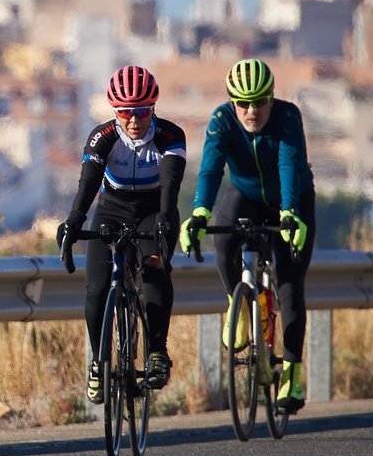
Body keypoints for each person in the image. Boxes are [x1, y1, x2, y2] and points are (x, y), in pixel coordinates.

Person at [179, 58, 316, 412]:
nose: (251, 111)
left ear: (271, 98)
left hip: (293, 199)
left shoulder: (288, 117)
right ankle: (236, 306)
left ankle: (290, 373)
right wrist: (199, 212)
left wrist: (290, 214)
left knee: (288, 285)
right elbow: (210, 169)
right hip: (246, 196)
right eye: (243, 103)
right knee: (222, 236)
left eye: (259, 102)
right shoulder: (222, 121)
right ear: (231, 102)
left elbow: (289, 164)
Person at [57, 65, 187, 404]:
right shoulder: (103, 137)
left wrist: (165, 227)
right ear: (115, 111)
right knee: (97, 288)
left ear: (153, 108)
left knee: (154, 267)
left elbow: (170, 188)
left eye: (141, 111)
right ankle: (99, 363)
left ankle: (157, 350)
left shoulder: (170, 137)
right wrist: (73, 220)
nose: (133, 120)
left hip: (153, 209)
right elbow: (87, 184)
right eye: (125, 112)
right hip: (112, 208)